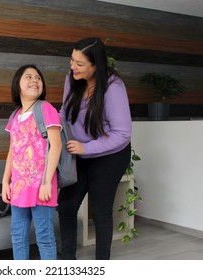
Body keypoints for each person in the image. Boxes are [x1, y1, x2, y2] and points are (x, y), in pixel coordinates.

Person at [57, 37, 132, 260]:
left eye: (79, 63)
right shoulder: (72, 78)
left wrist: (86, 148)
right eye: (72, 60)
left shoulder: (113, 88)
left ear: (96, 66)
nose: (73, 67)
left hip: (110, 155)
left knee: (100, 212)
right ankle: (67, 260)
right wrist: (53, 129)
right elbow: (65, 111)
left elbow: (122, 133)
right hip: (79, 152)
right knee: (66, 206)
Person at [2, 64, 62, 260]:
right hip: (19, 187)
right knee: (18, 237)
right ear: (17, 84)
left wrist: (46, 182)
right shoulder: (14, 116)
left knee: (44, 237)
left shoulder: (46, 109)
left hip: (41, 186)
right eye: (28, 77)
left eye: (38, 77)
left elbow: (56, 146)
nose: (35, 80)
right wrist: (5, 182)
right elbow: (13, 151)